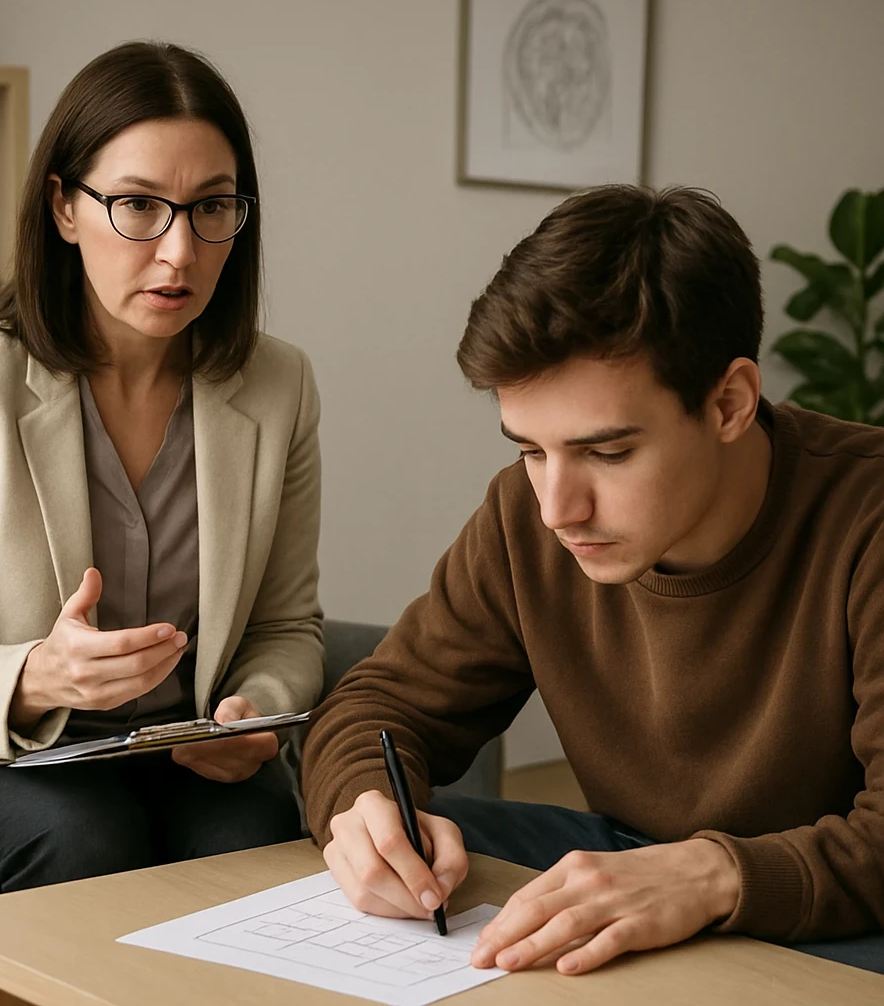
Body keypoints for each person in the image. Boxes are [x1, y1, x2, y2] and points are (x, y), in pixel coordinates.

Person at [302, 185, 884, 975]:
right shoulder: (525, 517)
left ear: (729, 404)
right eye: (530, 451)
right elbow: (382, 703)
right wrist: (367, 812)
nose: (557, 509)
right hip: (632, 857)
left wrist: (713, 875)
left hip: (842, 902)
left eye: (607, 454)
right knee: (435, 845)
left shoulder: (867, 519)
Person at [0, 41, 324, 900]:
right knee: (84, 838)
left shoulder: (279, 385)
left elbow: (287, 626)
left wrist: (254, 710)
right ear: (64, 208)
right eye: (139, 205)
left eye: (211, 207)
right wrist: (37, 677)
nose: (180, 251)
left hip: (176, 759)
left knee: (258, 835)